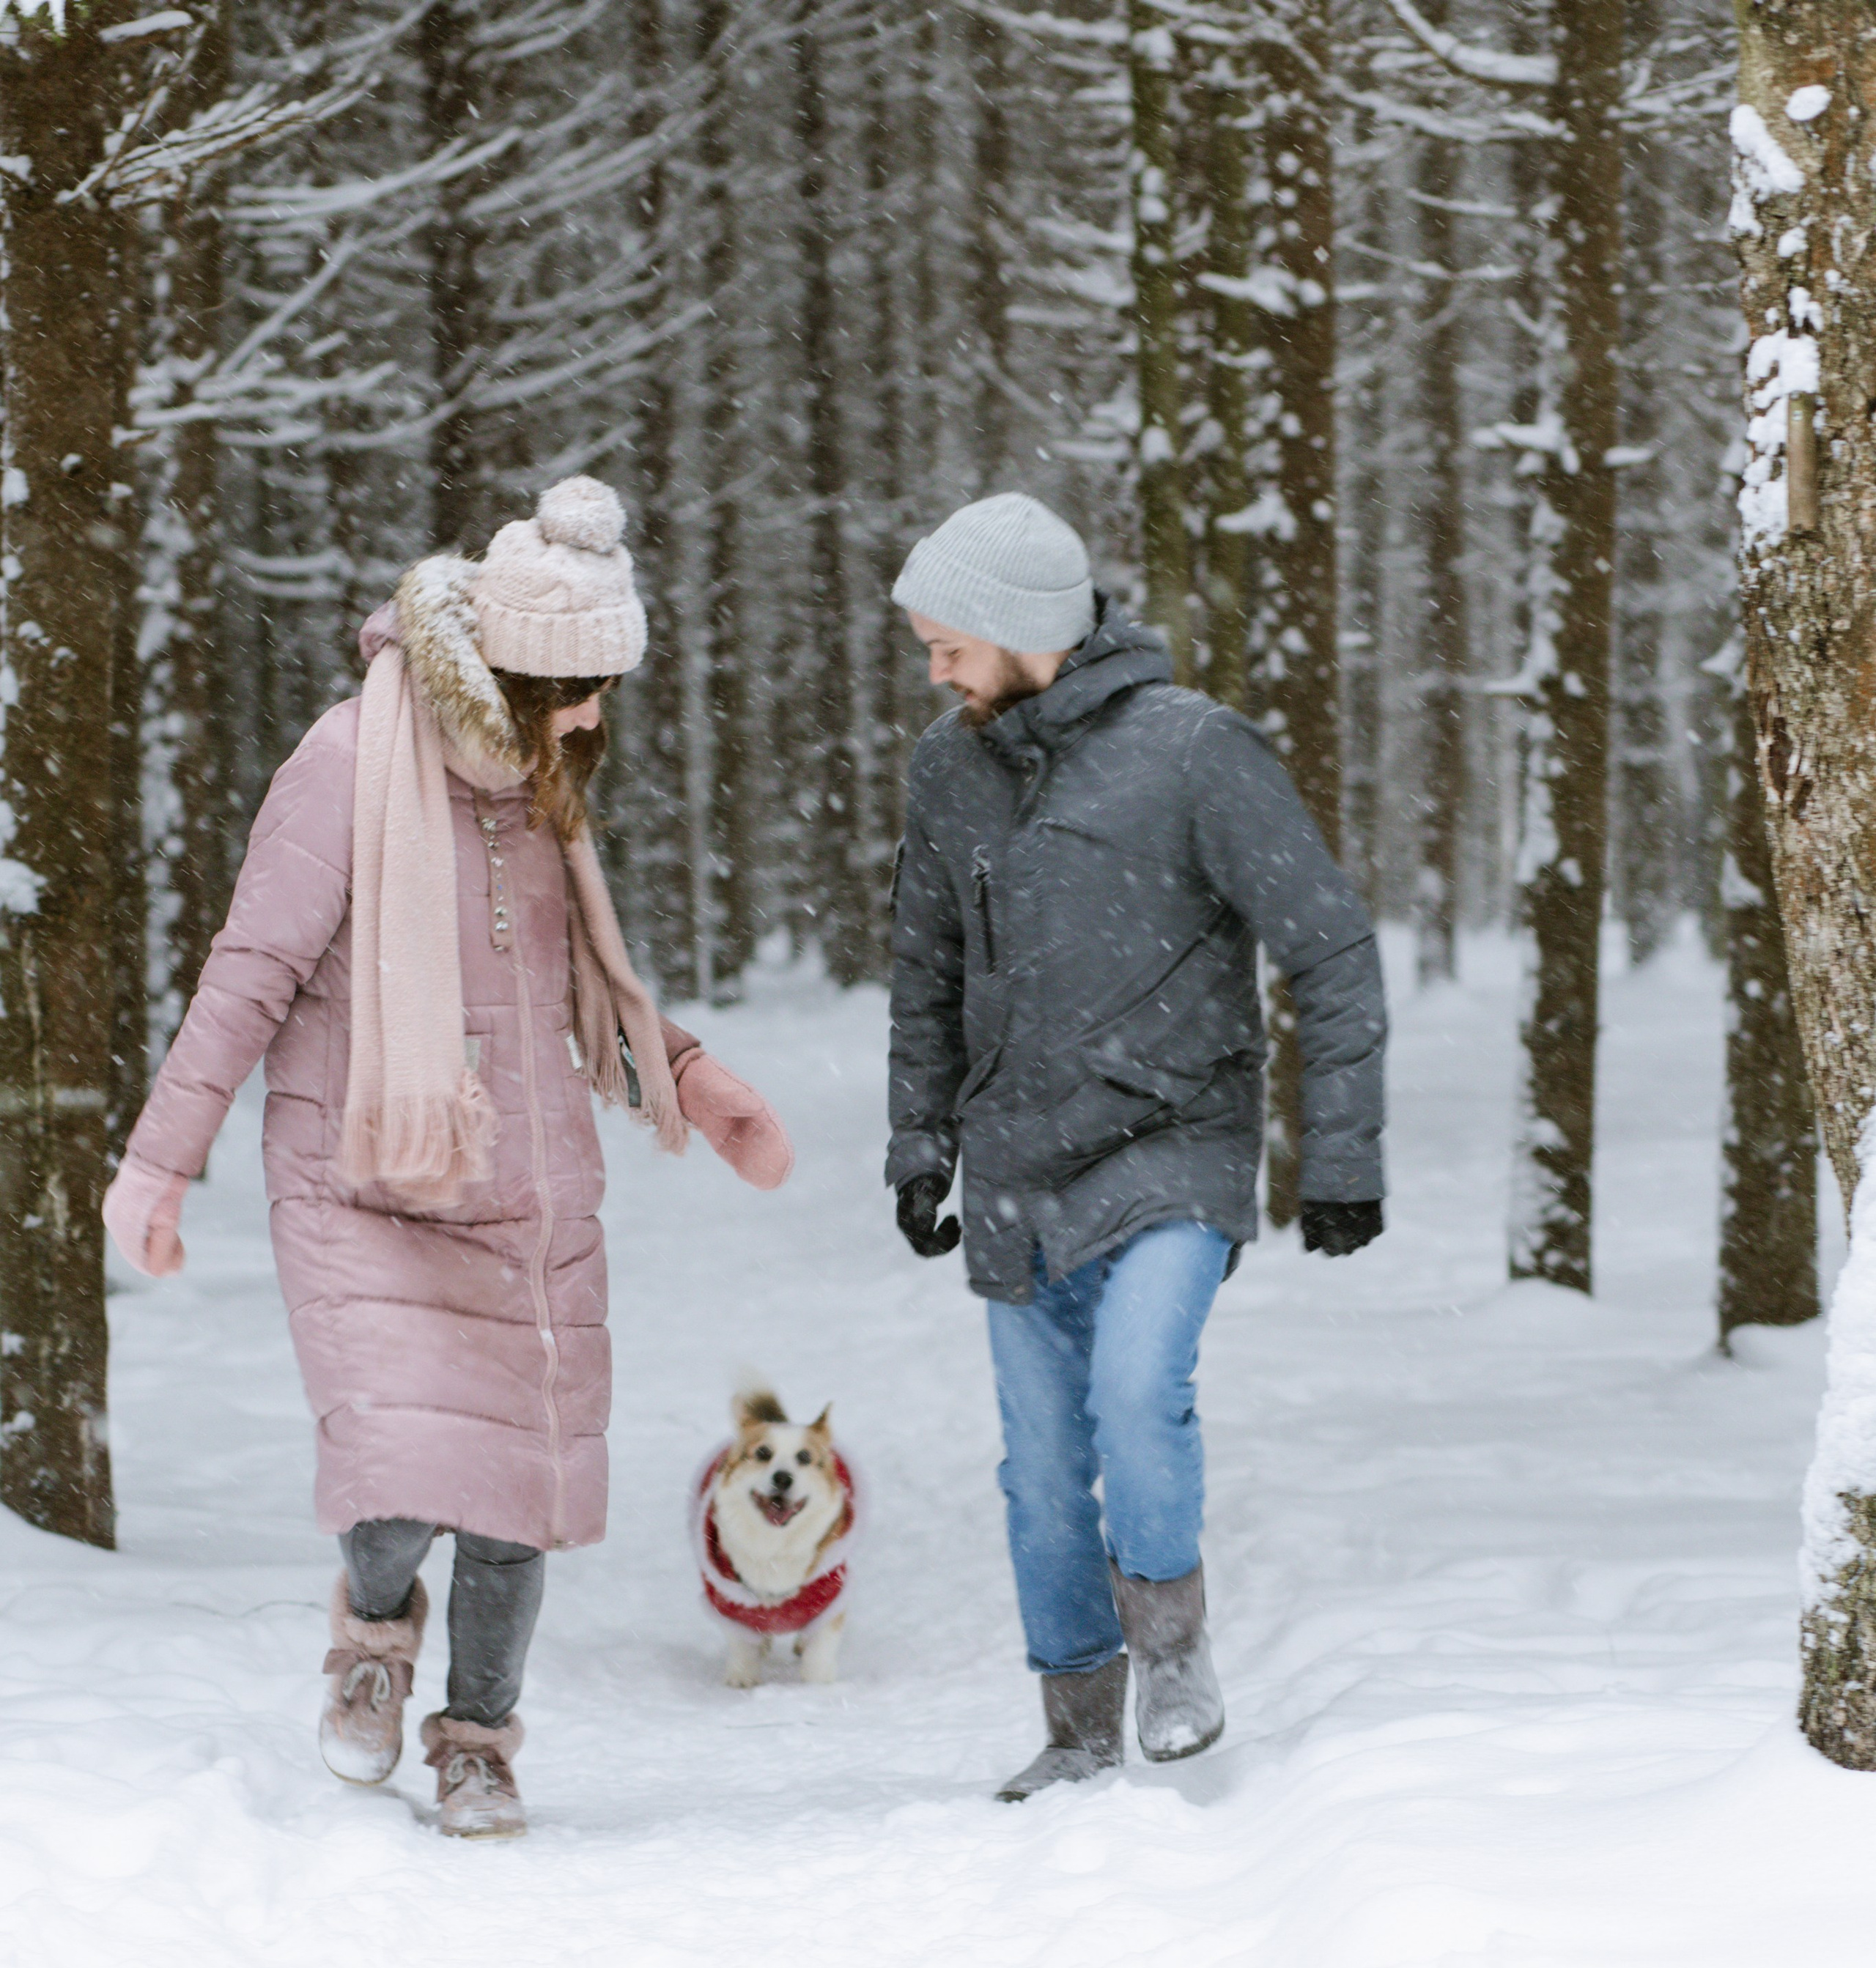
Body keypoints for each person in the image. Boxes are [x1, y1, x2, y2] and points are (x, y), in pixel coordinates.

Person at [103, 477, 791, 1838]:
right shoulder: (346, 768)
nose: (594, 719)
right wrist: (159, 1162)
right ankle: (371, 1643)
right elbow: (246, 977)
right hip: (367, 1183)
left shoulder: (543, 794)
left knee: (512, 1498)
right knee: (404, 1467)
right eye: (576, 692)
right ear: (512, 676)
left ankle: (477, 1738)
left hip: (525, 1194)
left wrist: (694, 1081)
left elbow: (581, 989)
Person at [885, 492, 1386, 1800]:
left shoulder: (1193, 752)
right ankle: (1076, 1727)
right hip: (1014, 1166)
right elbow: (925, 969)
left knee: (1134, 1397)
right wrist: (918, 1143)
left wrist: (1340, 1159)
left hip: (1175, 1143)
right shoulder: (950, 769)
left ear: (1017, 628)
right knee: (1039, 1465)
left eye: (947, 643)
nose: (933, 668)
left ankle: (1174, 1653)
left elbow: (1328, 945)